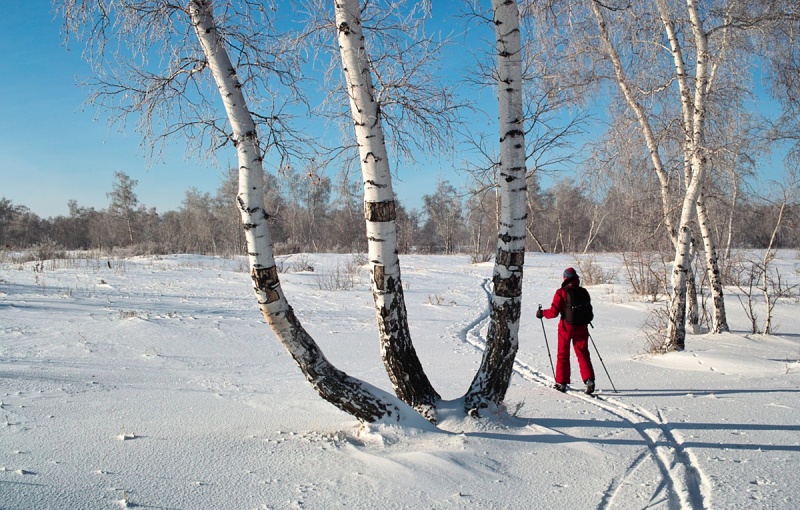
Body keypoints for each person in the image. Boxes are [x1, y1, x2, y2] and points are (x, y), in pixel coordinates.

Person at [536, 267, 596, 394]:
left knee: (563, 354)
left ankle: (561, 383)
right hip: (582, 326)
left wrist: (542, 313)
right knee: (583, 353)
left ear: (565, 278)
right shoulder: (583, 291)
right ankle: (589, 380)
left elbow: (553, 312)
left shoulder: (561, 292)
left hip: (566, 327)